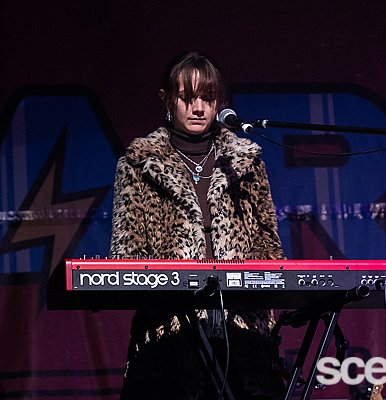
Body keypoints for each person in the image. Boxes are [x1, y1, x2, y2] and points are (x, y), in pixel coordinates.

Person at [110, 51, 285, 399]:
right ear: (166, 100)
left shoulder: (245, 162)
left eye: (208, 97)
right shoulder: (139, 163)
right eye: (187, 98)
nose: (199, 108)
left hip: (242, 332)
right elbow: (127, 256)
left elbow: (268, 246)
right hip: (169, 334)